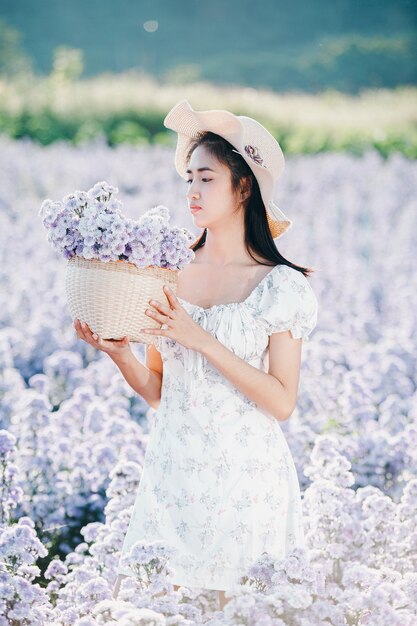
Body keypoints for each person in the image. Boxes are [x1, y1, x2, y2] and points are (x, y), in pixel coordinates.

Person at [74, 100, 318, 611]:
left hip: (248, 481)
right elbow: (161, 393)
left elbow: (281, 403)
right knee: (152, 609)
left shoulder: (282, 287)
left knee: (241, 613)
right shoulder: (166, 272)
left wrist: (201, 339)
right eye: (188, 178)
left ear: (243, 187)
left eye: (206, 178)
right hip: (173, 475)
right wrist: (119, 354)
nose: (191, 192)